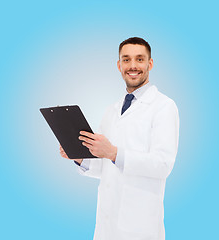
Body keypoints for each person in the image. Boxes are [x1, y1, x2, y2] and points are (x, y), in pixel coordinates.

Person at [60, 37, 179, 240]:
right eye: (126, 59)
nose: (133, 66)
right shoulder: (111, 111)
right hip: (107, 227)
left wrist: (114, 152)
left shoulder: (164, 107)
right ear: (119, 65)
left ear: (150, 64)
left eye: (140, 59)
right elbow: (106, 167)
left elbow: (162, 165)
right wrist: (79, 157)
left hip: (141, 227)